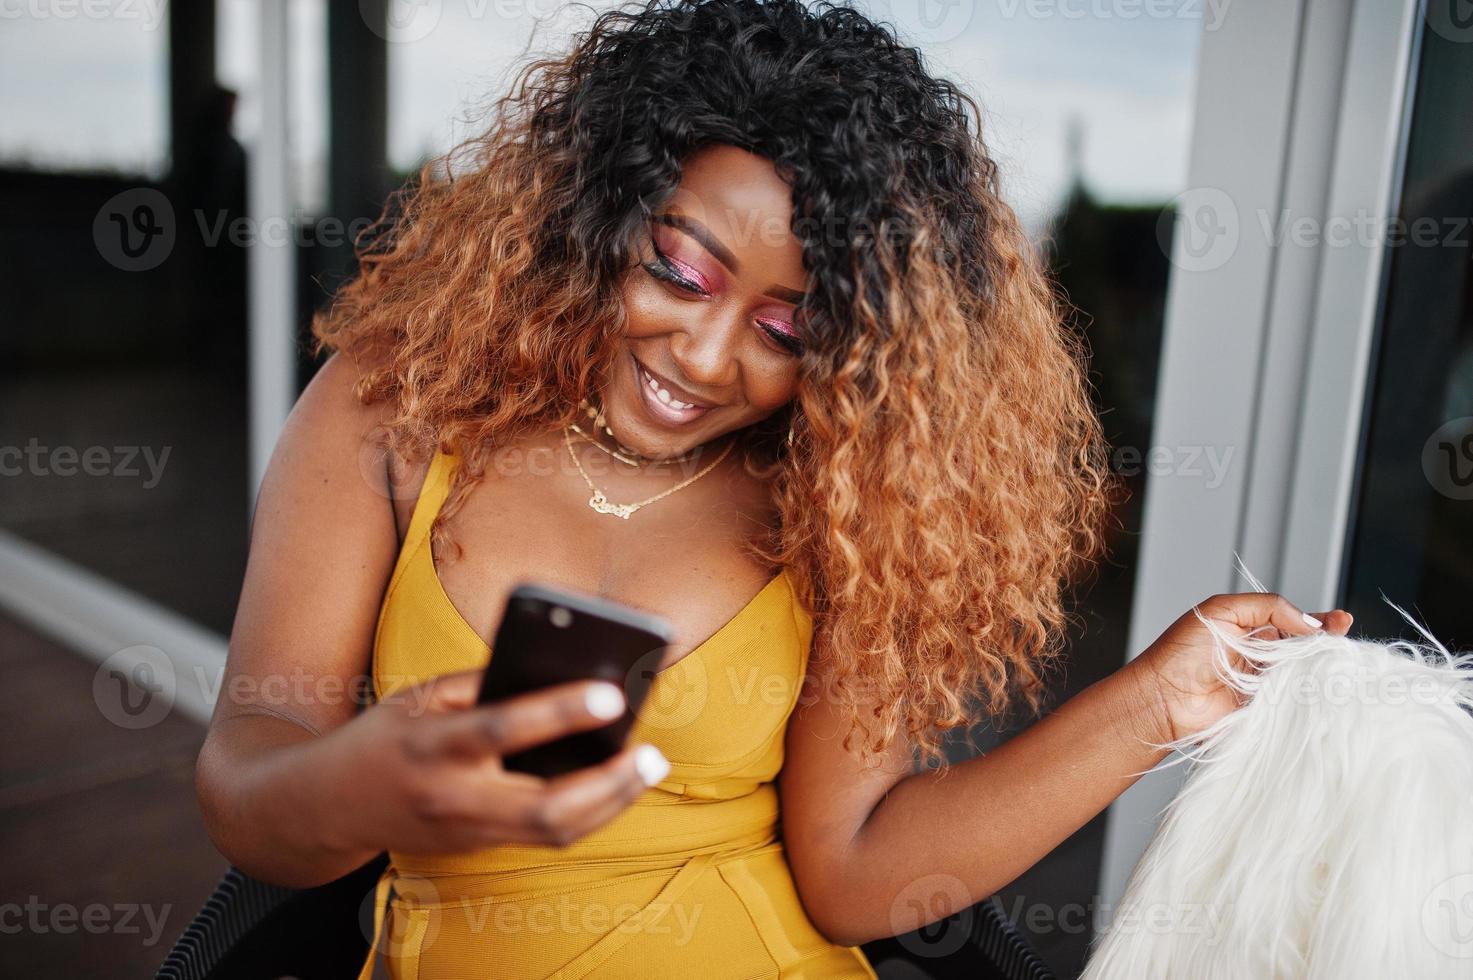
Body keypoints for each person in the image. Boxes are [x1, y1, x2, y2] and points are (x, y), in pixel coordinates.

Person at [194, 1, 1353, 977]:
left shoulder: (849, 502)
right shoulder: (395, 405)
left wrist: (1153, 701)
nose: (702, 356)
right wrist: (364, 783)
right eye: (679, 270)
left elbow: (853, 875)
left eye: (787, 324)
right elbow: (250, 779)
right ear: (591, 212)